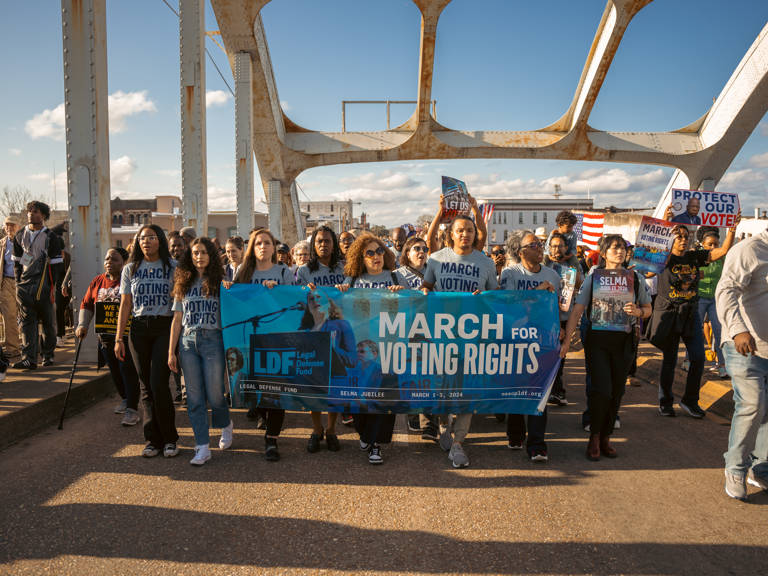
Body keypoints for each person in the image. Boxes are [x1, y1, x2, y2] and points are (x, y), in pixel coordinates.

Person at [561, 235, 651, 461]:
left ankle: (606, 437)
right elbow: (578, 309)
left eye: (622, 248)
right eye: (614, 248)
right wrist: (566, 342)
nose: (619, 252)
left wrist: (638, 312)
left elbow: (648, 308)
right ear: (603, 253)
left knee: (617, 392)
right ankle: (594, 436)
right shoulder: (595, 277)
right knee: (601, 390)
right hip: (598, 340)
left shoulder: (635, 278)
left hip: (624, 342)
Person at [422, 215, 498, 468]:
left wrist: (483, 297)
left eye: (469, 230)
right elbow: (426, 288)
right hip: (442, 335)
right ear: (451, 234)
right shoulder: (436, 259)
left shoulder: (486, 263)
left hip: (471, 336)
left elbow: (494, 297)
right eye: (460, 230)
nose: (465, 234)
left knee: (467, 389)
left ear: (475, 234)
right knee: (442, 388)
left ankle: (458, 443)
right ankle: (444, 424)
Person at [650, 213, 740, 418]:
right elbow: (647, 272)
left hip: (691, 314)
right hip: (670, 315)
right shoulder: (663, 257)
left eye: (685, 236)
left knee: (698, 358)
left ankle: (690, 401)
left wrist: (732, 229)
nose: (682, 239)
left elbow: (723, 251)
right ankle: (665, 401)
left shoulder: (694, 256)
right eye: (678, 236)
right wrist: (664, 223)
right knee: (670, 360)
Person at [336, 233, 410, 464]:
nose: (376, 256)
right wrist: (340, 292)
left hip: (388, 348)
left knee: (384, 397)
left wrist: (403, 293)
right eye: (369, 253)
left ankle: (375, 443)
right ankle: (365, 434)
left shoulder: (396, 276)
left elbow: (415, 304)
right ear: (361, 257)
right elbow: (339, 306)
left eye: (379, 251)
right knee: (359, 398)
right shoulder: (353, 280)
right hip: (361, 351)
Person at [115, 224, 179, 458]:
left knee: (158, 383)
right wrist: (119, 338)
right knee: (145, 386)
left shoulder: (173, 267)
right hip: (139, 328)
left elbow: (181, 301)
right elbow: (125, 305)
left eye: (152, 237)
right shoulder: (130, 269)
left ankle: (171, 438)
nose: (146, 242)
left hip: (165, 326)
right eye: (142, 238)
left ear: (160, 240)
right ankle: (153, 440)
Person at [169, 237, 233, 466]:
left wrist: (229, 288)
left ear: (211, 255)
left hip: (213, 339)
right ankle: (202, 446)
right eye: (195, 252)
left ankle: (225, 424)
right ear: (190, 255)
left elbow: (234, 308)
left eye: (204, 252)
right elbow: (177, 319)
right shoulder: (183, 281)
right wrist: (171, 352)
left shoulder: (220, 280)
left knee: (216, 394)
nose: (199, 256)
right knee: (194, 398)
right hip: (188, 342)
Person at [716, 227, 768, 501]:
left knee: (766, 411)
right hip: (744, 345)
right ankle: (736, 468)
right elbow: (725, 290)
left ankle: (762, 469)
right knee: (752, 404)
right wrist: (738, 329)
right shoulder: (749, 250)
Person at [233, 227, 294, 461]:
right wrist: (229, 287)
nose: (263, 247)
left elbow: (293, 299)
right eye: (258, 243)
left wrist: (278, 291)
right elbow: (235, 300)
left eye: (267, 243)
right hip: (250, 337)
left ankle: (271, 438)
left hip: (277, 337)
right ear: (252, 247)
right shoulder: (243, 270)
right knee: (252, 387)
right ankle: (262, 415)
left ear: (273, 247)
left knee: (276, 390)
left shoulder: (283, 271)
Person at [500, 230, 560, 462]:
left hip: (543, 341)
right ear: (520, 251)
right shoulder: (510, 273)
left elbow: (559, 306)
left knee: (539, 392)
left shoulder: (553, 275)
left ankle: (537, 444)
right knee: (517, 388)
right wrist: (536, 292)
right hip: (515, 338)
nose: (539, 247)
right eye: (534, 244)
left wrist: (561, 327)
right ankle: (516, 433)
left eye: (540, 243)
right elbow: (507, 304)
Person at [296, 226, 348, 452]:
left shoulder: (344, 267)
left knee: (334, 384)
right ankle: (316, 429)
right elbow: (295, 297)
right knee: (314, 384)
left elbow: (355, 293)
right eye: (319, 241)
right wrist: (303, 290)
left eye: (327, 241)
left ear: (333, 243)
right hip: (314, 333)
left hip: (337, 331)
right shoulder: (305, 270)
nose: (323, 245)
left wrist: (347, 288)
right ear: (313, 245)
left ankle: (331, 429)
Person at [76, 247, 141, 426]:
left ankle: (132, 409)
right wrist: (82, 325)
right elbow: (87, 303)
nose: (109, 262)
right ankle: (126, 398)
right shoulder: (97, 281)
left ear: (124, 262)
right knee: (115, 371)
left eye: (114, 259)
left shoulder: (130, 280)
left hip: (126, 336)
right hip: (105, 336)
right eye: (107, 259)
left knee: (127, 370)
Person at [299, 288, 356, 452]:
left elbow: (353, 358)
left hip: (335, 376)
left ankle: (331, 430)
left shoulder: (342, 325)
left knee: (333, 399)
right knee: (312, 398)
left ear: (328, 303)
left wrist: (333, 349)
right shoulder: (305, 328)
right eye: (311, 299)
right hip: (313, 375)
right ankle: (317, 430)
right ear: (308, 306)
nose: (315, 302)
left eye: (319, 298)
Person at [395, 235, 438, 439]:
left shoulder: (435, 272)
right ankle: (413, 414)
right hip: (406, 331)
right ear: (407, 253)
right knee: (410, 375)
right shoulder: (397, 275)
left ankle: (429, 422)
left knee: (429, 374)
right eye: (416, 248)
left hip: (431, 330)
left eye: (424, 248)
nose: (421, 252)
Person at [12, 201, 64, 369]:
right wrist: (18, 283)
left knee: (48, 322)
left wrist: (52, 286)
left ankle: (48, 355)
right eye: (29, 211)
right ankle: (29, 358)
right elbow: (17, 263)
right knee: (27, 322)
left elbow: (57, 264)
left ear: (43, 215)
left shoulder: (51, 237)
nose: (31, 214)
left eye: (35, 212)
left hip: (45, 285)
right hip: (25, 286)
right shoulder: (20, 235)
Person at [543, 230, 583, 406]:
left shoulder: (572, 264)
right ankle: (550, 390)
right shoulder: (545, 264)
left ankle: (558, 391)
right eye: (553, 246)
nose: (556, 249)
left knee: (560, 354)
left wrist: (572, 261)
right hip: (545, 315)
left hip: (564, 315)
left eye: (560, 246)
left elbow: (580, 282)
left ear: (566, 247)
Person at [696, 226, 728, 378]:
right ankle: (692, 361)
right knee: (696, 332)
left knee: (719, 331)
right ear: (702, 244)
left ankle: (722, 365)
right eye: (710, 244)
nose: (714, 247)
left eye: (716, 244)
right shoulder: (696, 257)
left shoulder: (723, 258)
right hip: (700, 297)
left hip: (716, 299)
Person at [0, 215, 21, 364]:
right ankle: (12, 348)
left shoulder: (23, 241)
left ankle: (28, 346)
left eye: (12, 225)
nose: (9, 228)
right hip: (6, 282)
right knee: (9, 315)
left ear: (17, 227)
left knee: (26, 316)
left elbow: (29, 260)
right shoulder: (1, 243)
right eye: (7, 225)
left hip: (22, 282)